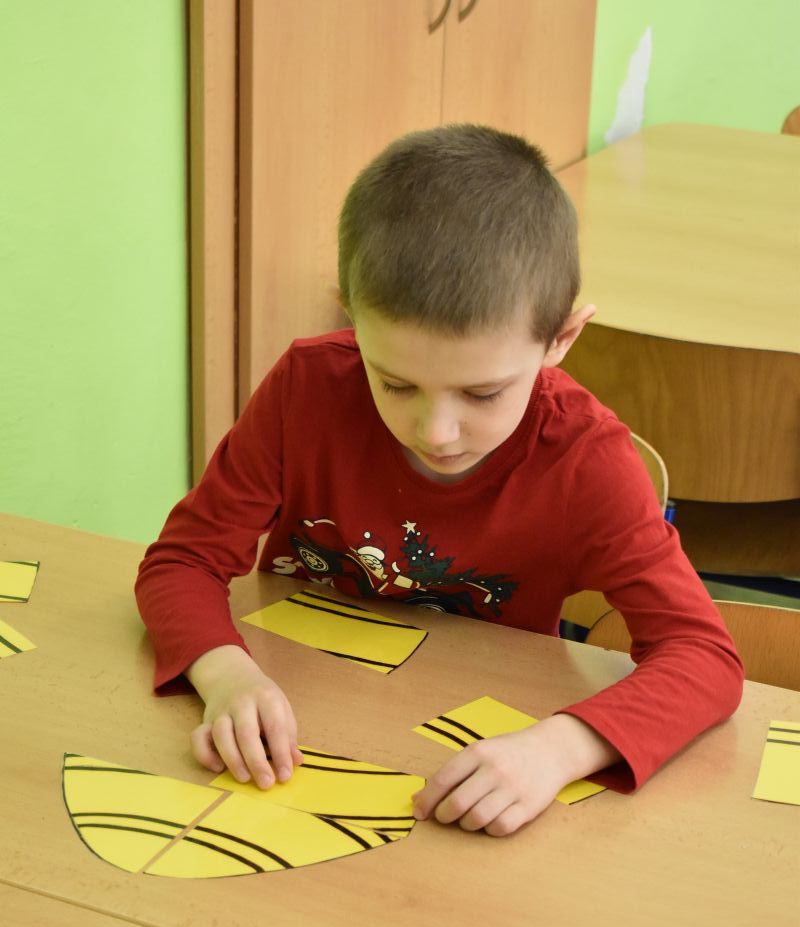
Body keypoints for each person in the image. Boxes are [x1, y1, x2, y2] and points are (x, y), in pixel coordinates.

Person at [135, 124, 743, 837]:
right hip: (305, 714)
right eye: (394, 383)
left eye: (482, 394)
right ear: (349, 315)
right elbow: (183, 561)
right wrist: (225, 675)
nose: (436, 431)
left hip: (472, 752)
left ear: (561, 339)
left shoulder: (588, 461)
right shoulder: (306, 386)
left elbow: (703, 657)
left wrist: (560, 749)